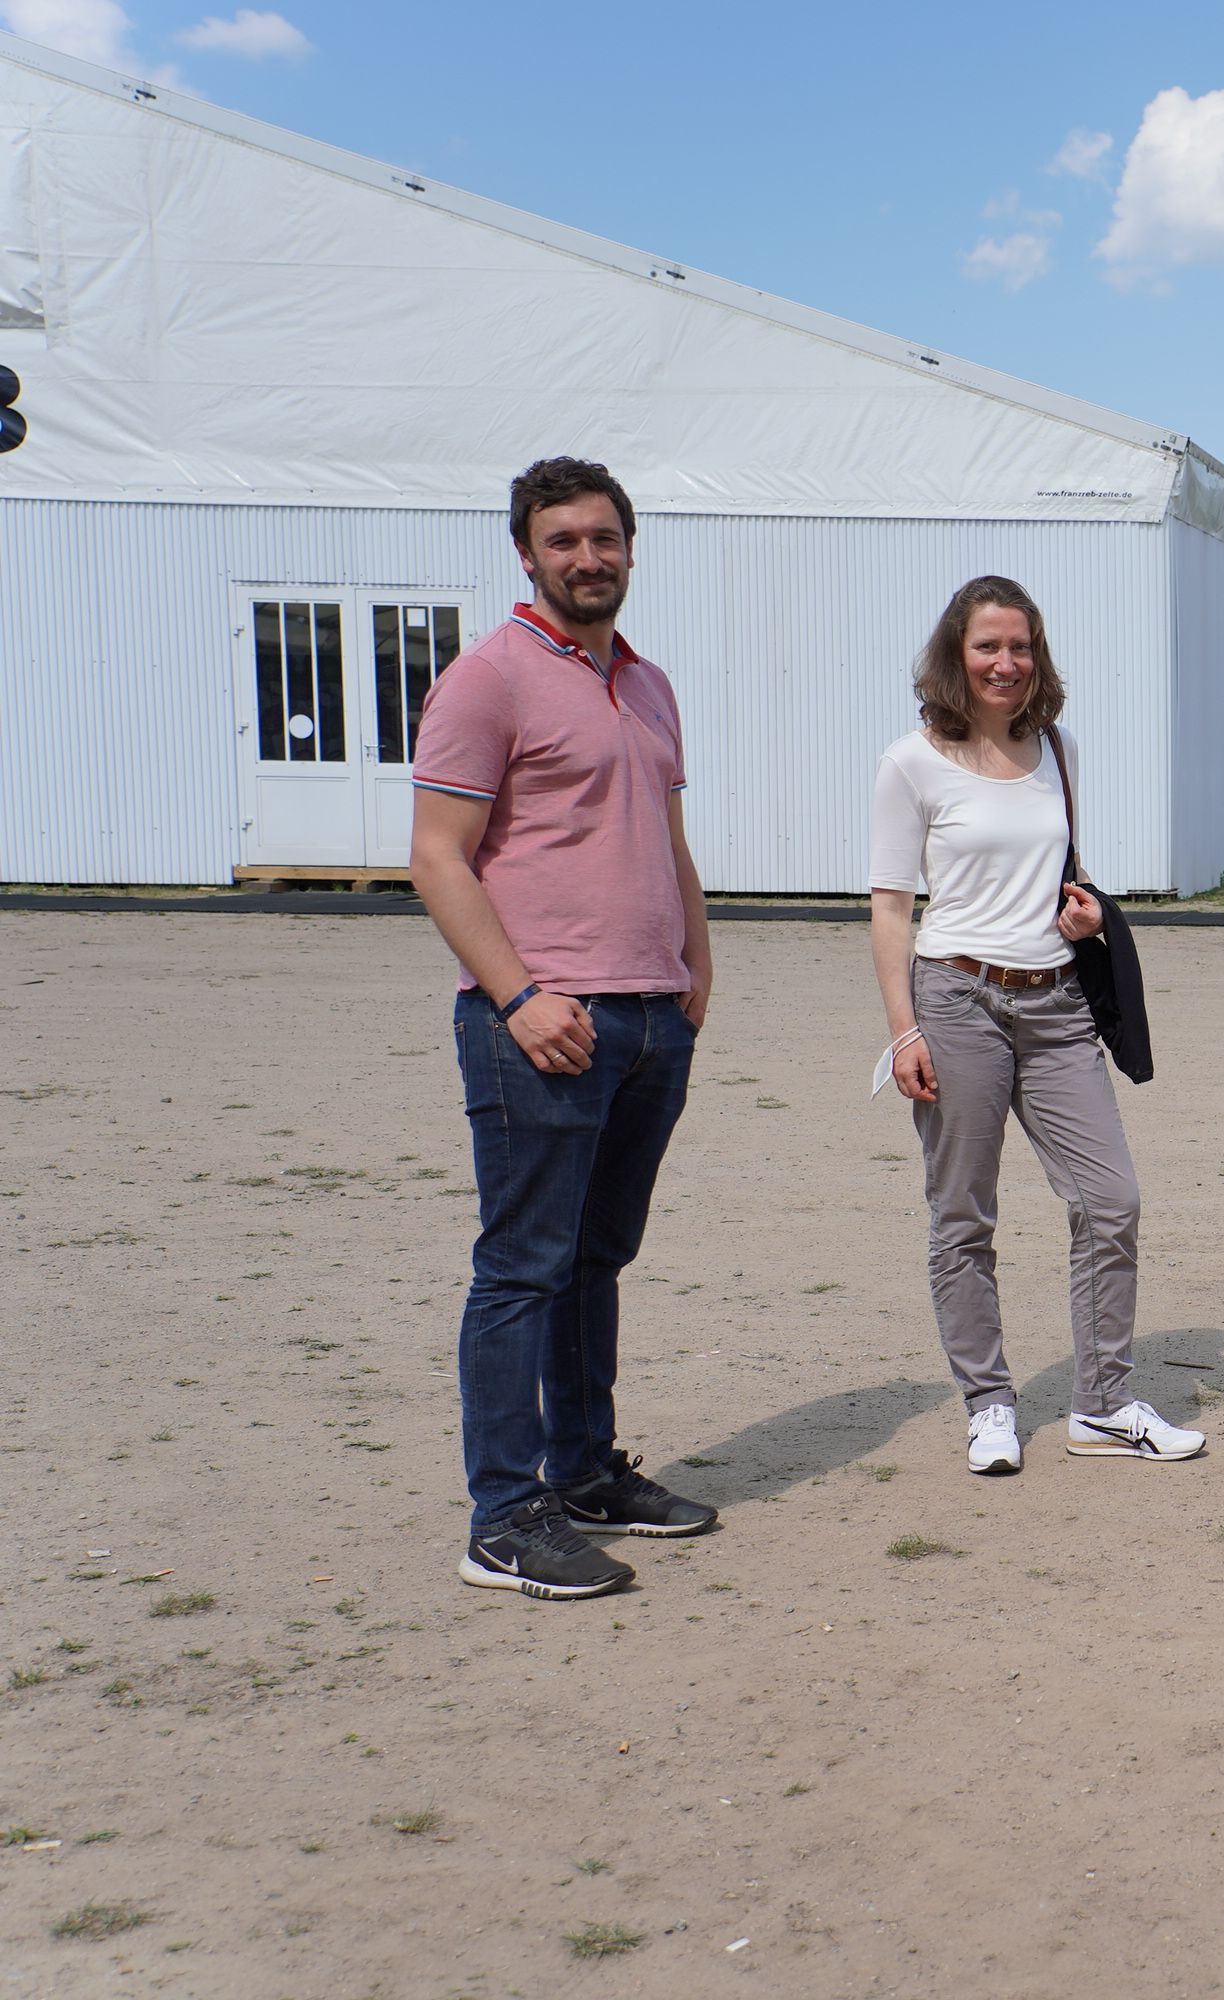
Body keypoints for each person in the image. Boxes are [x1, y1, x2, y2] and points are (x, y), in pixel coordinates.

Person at [409, 457, 720, 1602]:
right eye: (561, 541)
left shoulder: (646, 683)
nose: (586, 557)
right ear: (526, 554)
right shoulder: (487, 679)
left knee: (596, 1258)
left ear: (630, 547)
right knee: (523, 1267)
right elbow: (436, 855)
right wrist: (519, 996)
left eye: (604, 537)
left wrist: (695, 961)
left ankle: (583, 1469)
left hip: (650, 1016)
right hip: (540, 1020)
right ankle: (502, 1516)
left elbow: (666, 839)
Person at [868, 576, 1201, 1475]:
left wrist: (1086, 918)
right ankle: (988, 1405)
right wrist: (905, 1031)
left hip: (1055, 1005)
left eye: (1019, 647)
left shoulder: (1058, 748)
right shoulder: (912, 761)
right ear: (956, 655)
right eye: (987, 647)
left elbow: (1062, 872)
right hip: (956, 997)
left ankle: (1103, 1404)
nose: (1005, 663)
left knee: (1110, 1199)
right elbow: (892, 908)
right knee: (964, 1214)